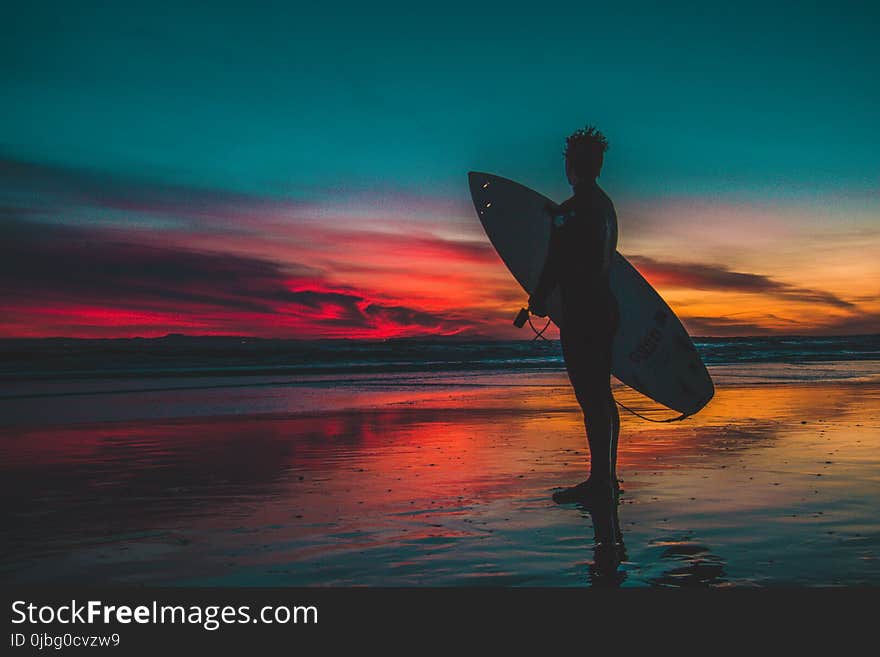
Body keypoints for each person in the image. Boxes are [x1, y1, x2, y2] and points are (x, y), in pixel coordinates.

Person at [528, 126, 620, 504]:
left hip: (583, 313)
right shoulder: (606, 206)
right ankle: (606, 477)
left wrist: (538, 298)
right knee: (603, 397)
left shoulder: (570, 211)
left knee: (591, 398)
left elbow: (557, 262)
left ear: (573, 166)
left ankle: (599, 483)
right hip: (605, 307)